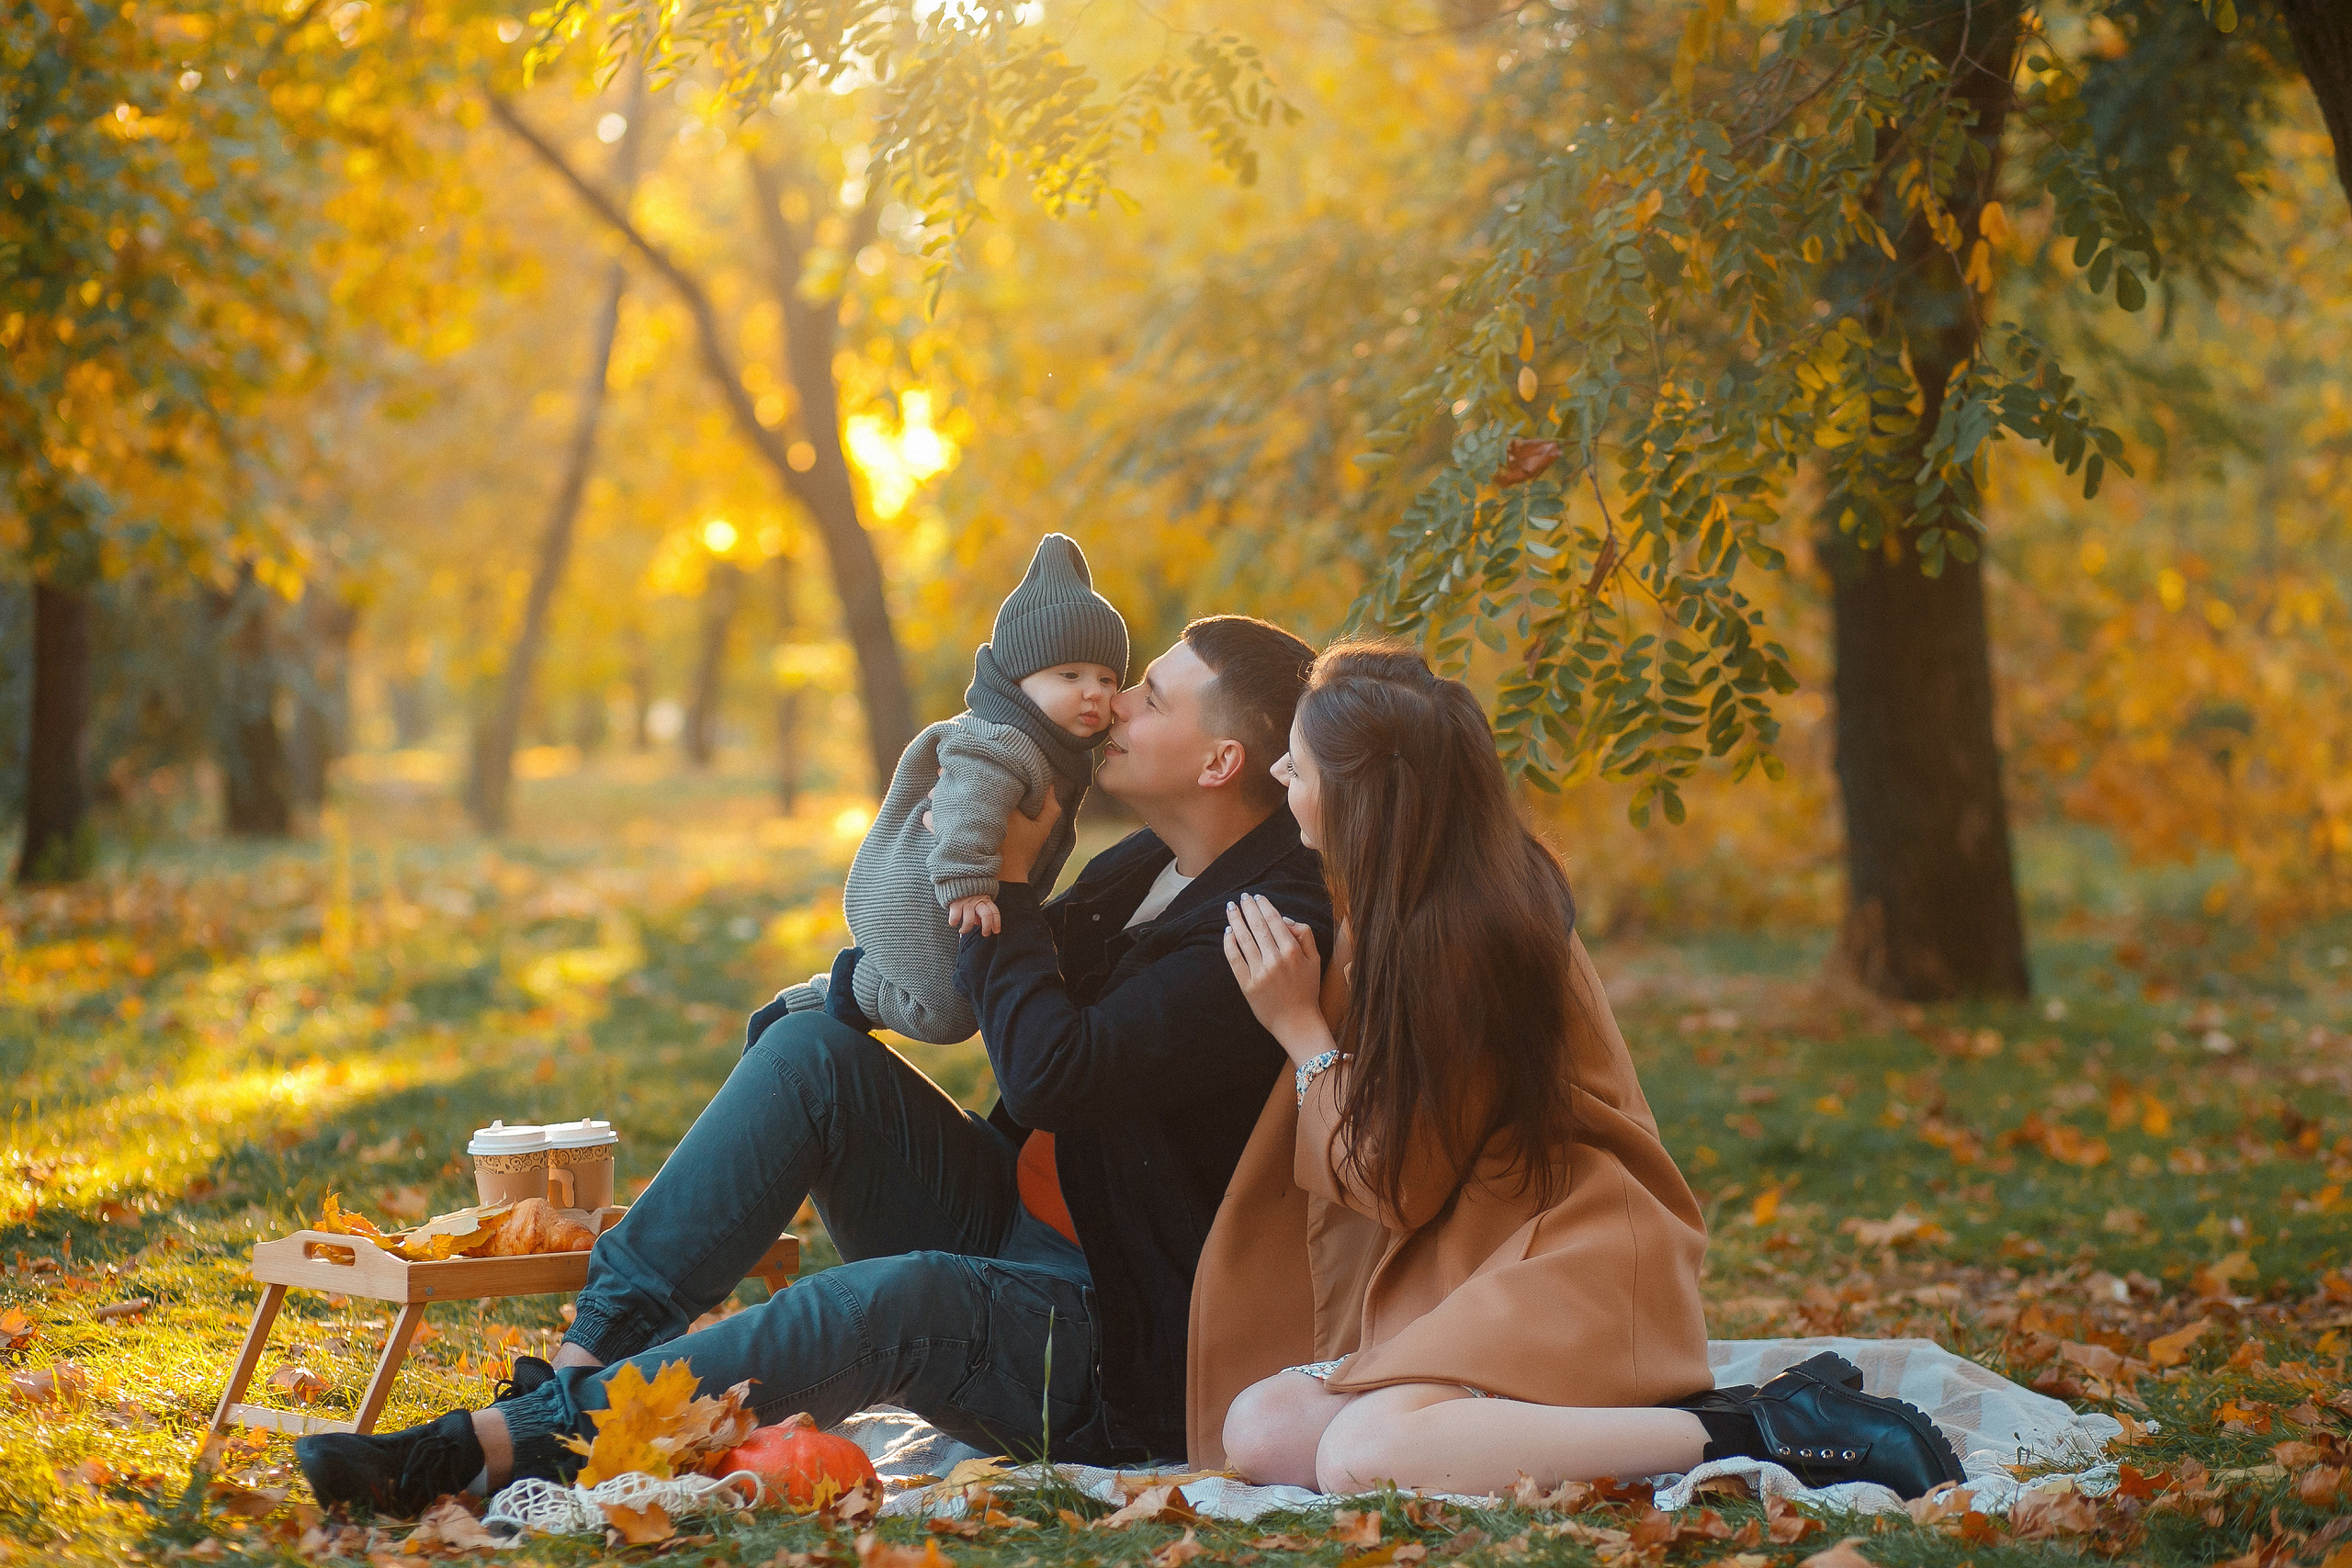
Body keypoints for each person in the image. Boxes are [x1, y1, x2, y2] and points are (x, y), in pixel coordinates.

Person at [298, 615, 1329, 1513]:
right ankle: (578, 1363)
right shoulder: (1148, 864)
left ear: (1220, 761)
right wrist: (848, 990)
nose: (1115, 705)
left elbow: (1048, 1069)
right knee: (809, 1054)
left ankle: (495, 1447)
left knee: (894, 1299)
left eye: (1151, 696)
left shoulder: (1267, 922)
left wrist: (1008, 884)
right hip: (1017, 1222)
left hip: (1107, 1338)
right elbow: (984, 993)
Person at [1197, 642, 1965, 1499]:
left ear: (1357, 797)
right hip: (1486, 1256)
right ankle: (1696, 1417)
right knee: (1261, 1429)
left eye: (1297, 765)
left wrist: (1299, 1027)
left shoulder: (1466, 932)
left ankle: (1764, 1426)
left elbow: (1397, 1183)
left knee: (1357, 1456)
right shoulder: (1414, 902)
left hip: (1578, 1254)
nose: (1279, 773)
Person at [775, 533, 1128, 1044]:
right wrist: (968, 882)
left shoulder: (1048, 748)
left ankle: (813, 1001)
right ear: (1018, 681)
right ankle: (850, 986)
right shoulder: (1002, 740)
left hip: (951, 894)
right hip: (927, 892)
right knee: (947, 1016)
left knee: (964, 1000)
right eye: (1070, 675)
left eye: (1108, 679)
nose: (1093, 692)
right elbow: (967, 805)